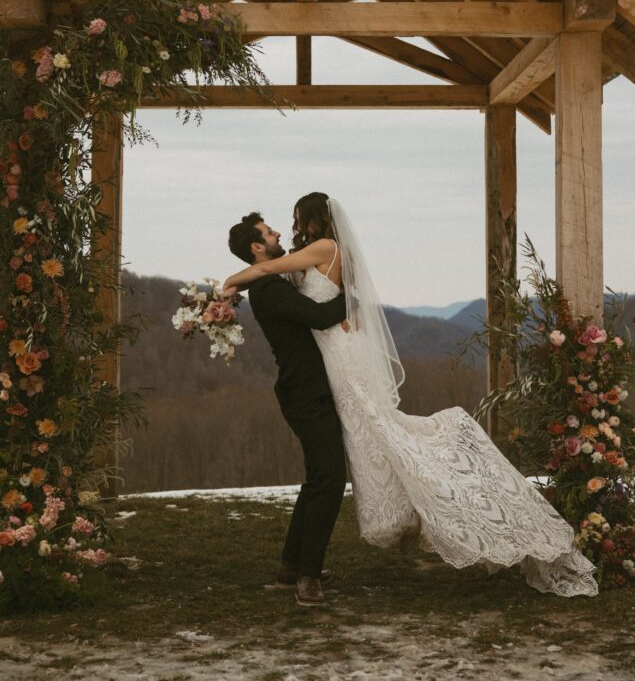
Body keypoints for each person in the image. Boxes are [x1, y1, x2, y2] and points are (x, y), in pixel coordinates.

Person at [224, 193, 598, 598]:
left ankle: (303, 568)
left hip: (340, 365)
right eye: (272, 230)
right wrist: (341, 306)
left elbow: (289, 278)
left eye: (294, 219)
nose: (285, 229)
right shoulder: (278, 278)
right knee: (335, 471)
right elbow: (309, 304)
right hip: (321, 376)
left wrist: (230, 283)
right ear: (257, 245)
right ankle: (304, 570)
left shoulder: (322, 249)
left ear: (314, 220)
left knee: (353, 457)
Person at [227, 212, 348, 607]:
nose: (278, 233)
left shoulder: (269, 282)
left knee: (318, 479)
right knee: (330, 480)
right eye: (269, 232)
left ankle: (292, 567)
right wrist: (355, 292)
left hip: (305, 390)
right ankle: (308, 579)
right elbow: (321, 316)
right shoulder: (268, 290)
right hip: (306, 393)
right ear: (257, 247)